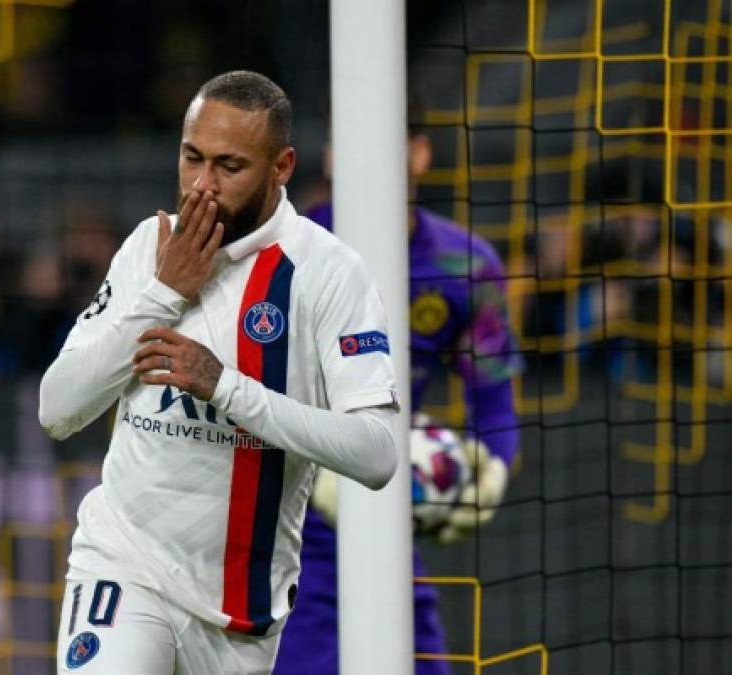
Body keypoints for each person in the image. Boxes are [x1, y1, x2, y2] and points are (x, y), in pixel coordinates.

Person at [39, 70, 402, 674]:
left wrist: (224, 386)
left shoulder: (328, 273)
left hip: (240, 614)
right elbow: (57, 408)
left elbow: (378, 451)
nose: (201, 186)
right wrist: (162, 294)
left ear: (281, 166)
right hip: (125, 567)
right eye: (191, 159)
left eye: (229, 167)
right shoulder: (147, 247)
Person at [274, 96, 524, 675]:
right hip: (288, 524)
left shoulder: (466, 266)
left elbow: (494, 398)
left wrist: (492, 468)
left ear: (420, 154)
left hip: (390, 506)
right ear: (331, 159)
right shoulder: (285, 253)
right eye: (345, 147)